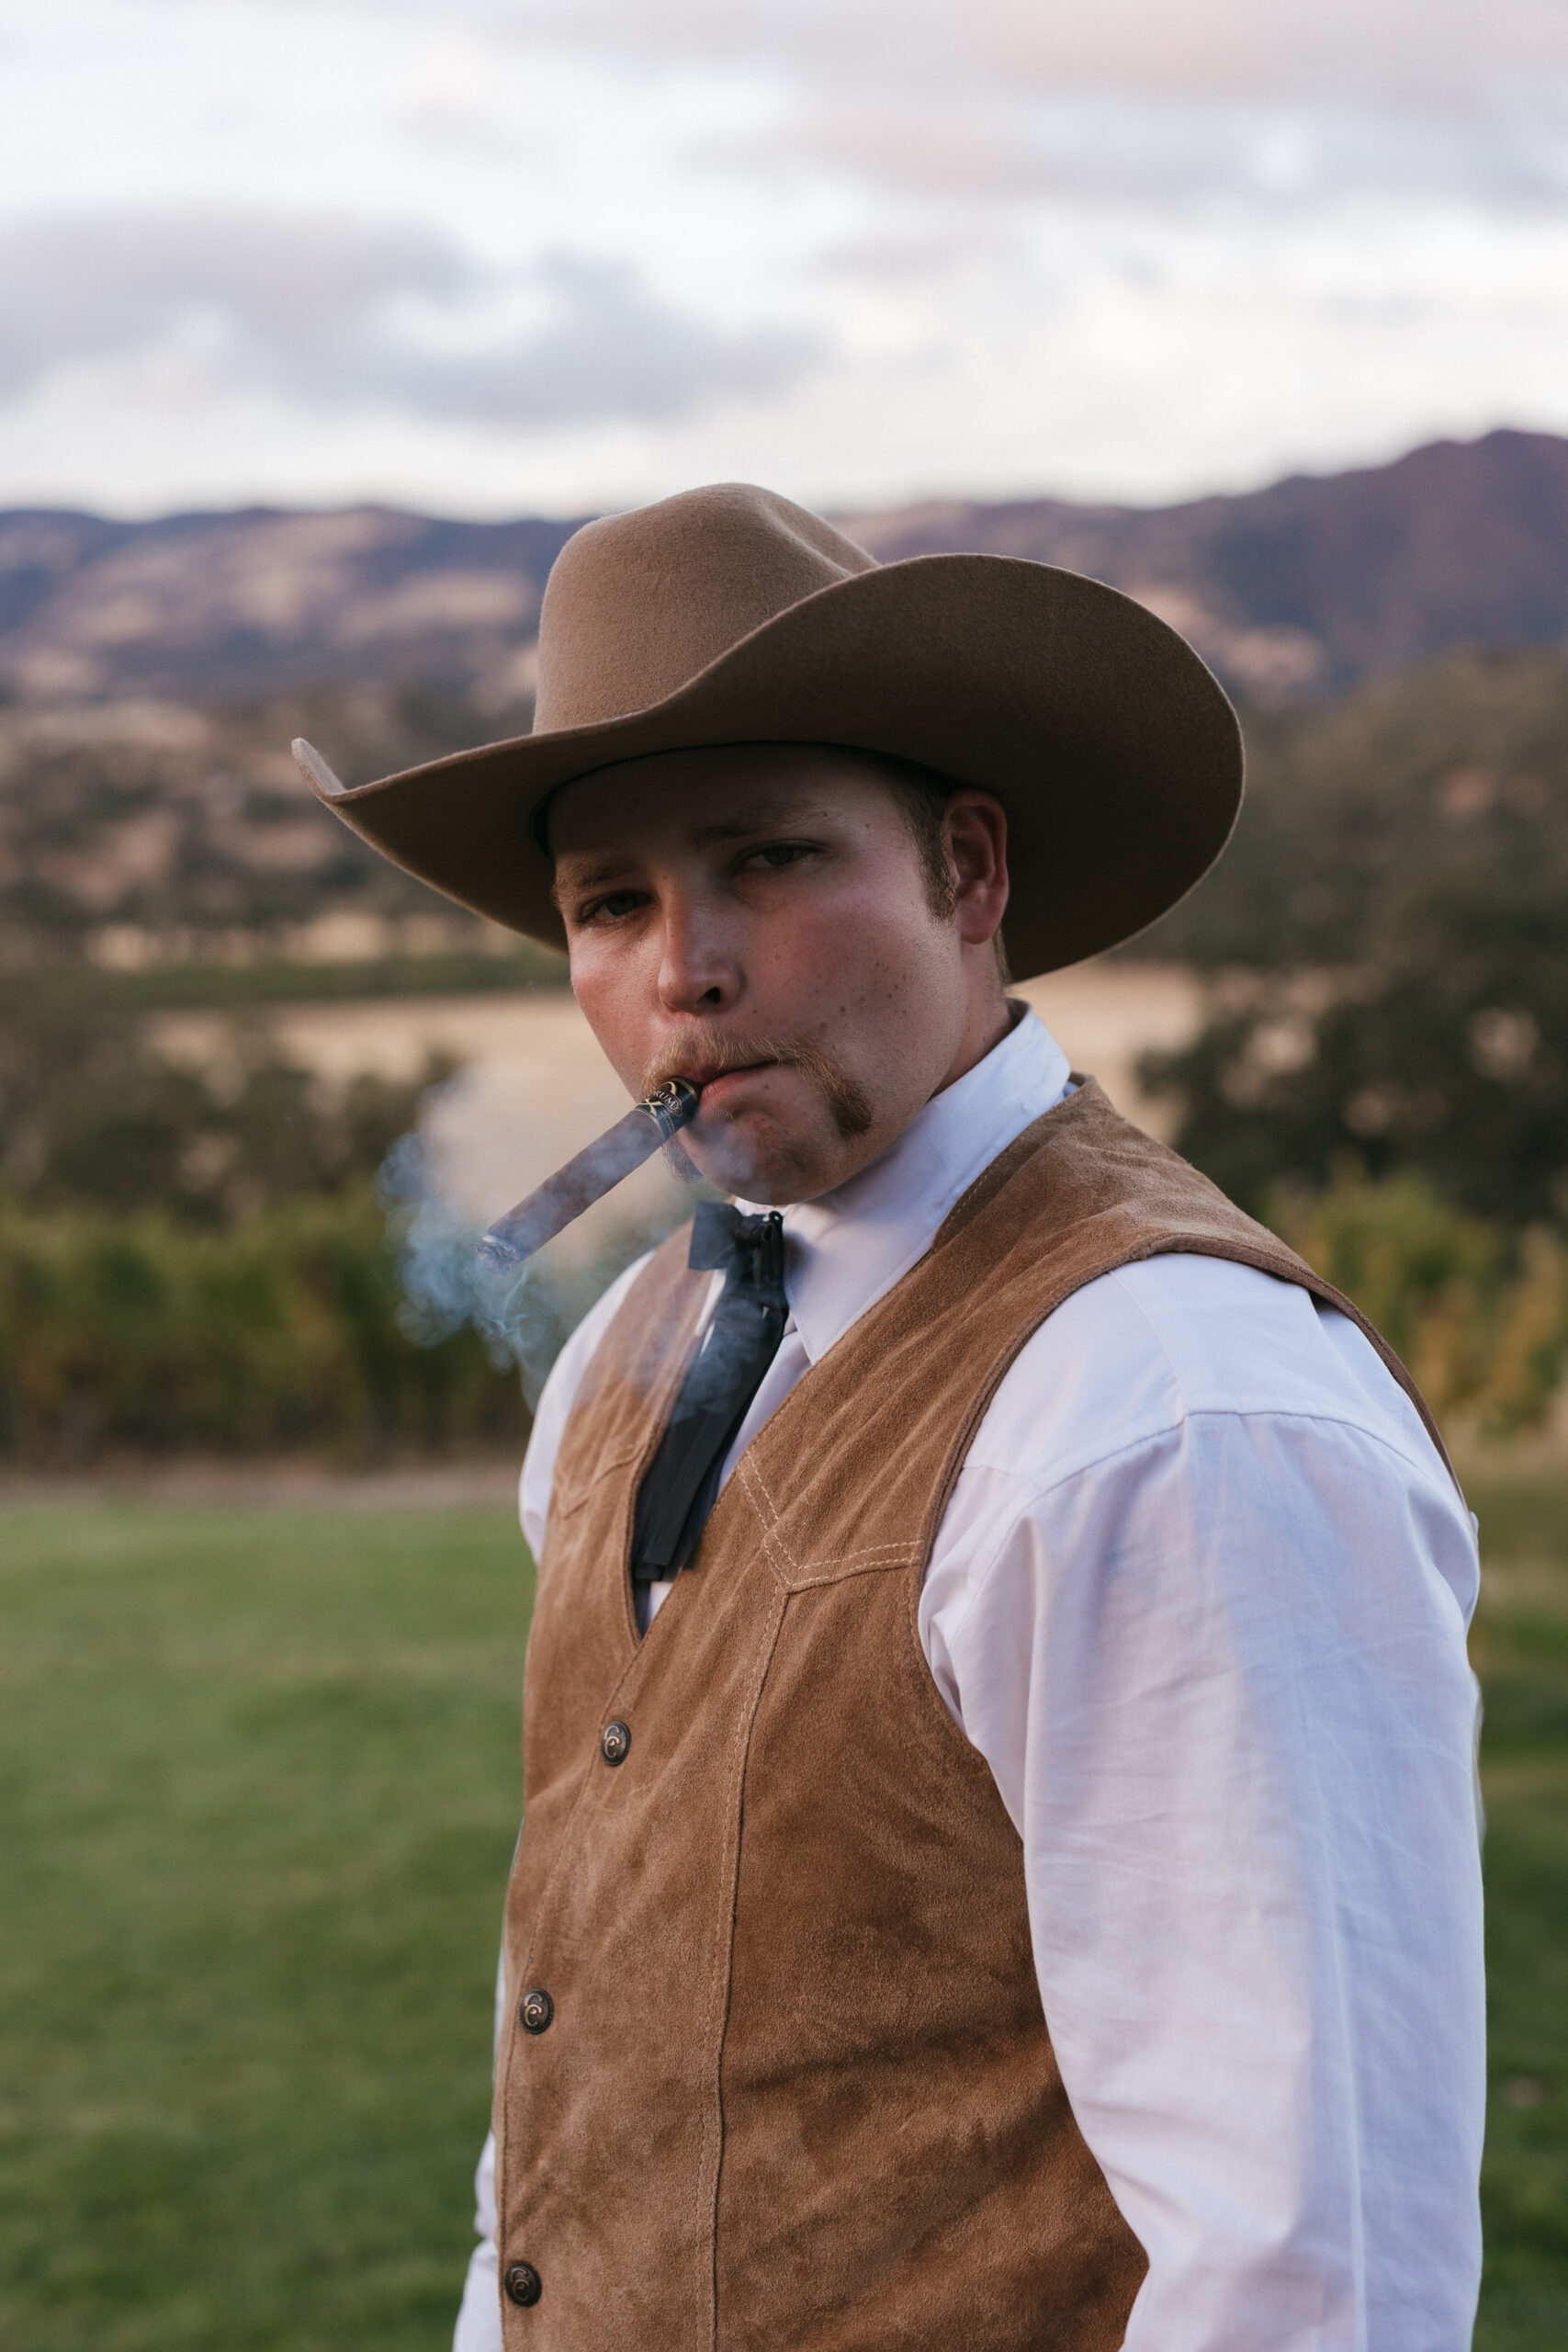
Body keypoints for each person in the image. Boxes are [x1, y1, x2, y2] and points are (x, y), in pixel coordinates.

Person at [300, 484, 1484, 2350]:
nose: (678, 967)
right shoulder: (633, 1337)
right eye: (608, 901)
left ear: (969, 870)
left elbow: (1307, 2263)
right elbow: (579, 2047)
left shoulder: (1173, 1414)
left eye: (764, 859)